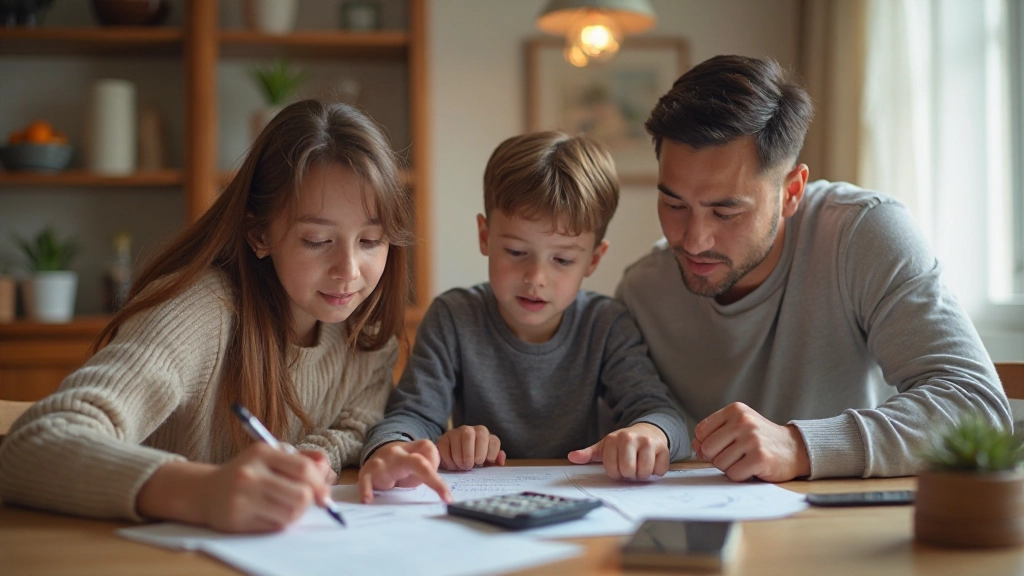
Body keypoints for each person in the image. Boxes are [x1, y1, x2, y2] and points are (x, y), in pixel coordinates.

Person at [0, 100, 413, 532]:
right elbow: (33, 445)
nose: (349, 271)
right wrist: (203, 491)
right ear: (259, 234)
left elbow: (358, 423)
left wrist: (316, 455)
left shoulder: (365, 337)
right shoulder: (198, 316)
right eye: (316, 240)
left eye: (371, 240)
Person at [617, 55, 1012, 483]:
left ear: (791, 191)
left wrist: (800, 446)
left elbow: (978, 408)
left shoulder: (861, 234)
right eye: (674, 204)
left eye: (725, 212)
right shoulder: (642, 290)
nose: (694, 240)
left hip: (842, 524)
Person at [356, 132, 688, 503]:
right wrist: (395, 448)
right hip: (480, 504)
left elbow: (664, 416)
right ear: (485, 236)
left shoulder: (606, 325)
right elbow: (411, 416)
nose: (536, 278)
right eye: (516, 251)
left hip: (578, 505)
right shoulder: (453, 318)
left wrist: (649, 432)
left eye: (562, 260)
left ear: (593, 260)